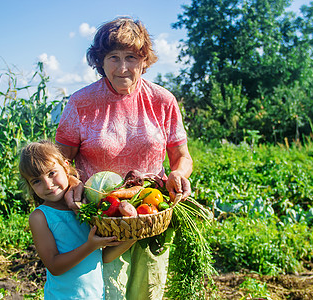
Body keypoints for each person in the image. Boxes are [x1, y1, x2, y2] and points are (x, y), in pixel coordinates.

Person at [55, 16, 193, 299]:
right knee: (108, 293)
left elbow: (182, 157)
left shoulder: (162, 100)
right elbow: (60, 160)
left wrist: (179, 174)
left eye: (131, 57)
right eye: (113, 57)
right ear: (99, 61)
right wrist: (71, 181)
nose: (122, 68)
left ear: (144, 60)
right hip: (101, 221)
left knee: (148, 292)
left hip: (151, 213)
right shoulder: (81, 103)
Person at [19, 140, 135, 299]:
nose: (48, 184)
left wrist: (133, 235)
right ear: (30, 186)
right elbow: (54, 266)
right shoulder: (40, 217)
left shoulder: (86, 208)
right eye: (36, 181)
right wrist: (90, 246)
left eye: (52, 173)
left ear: (66, 167)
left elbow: (103, 257)